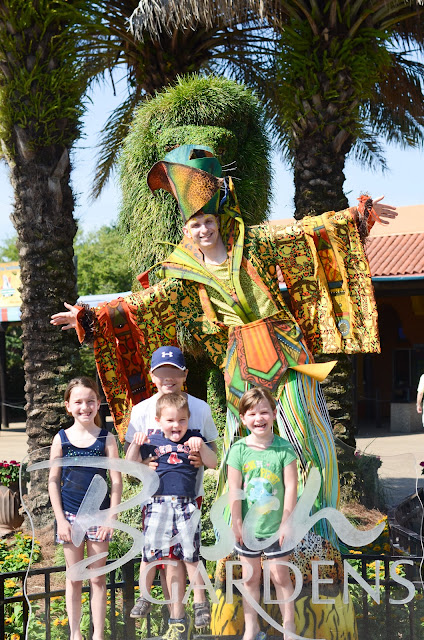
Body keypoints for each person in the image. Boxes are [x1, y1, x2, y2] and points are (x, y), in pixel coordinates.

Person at [51, 144, 397, 636]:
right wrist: (92, 315)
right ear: (186, 229)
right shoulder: (180, 274)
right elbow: (143, 305)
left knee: (309, 447)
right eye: (194, 224)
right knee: (241, 454)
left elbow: (305, 233)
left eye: (207, 221)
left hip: (287, 357)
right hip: (240, 370)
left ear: (218, 219)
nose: (202, 229)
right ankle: (247, 546)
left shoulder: (254, 244)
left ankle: (313, 541)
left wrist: (355, 216)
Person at [124, 345, 218, 622]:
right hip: (156, 497)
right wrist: (142, 465)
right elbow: (130, 459)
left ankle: (184, 617)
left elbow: (212, 451)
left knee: (186, 556)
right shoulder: (141, 410)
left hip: (189, 495)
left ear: (185, 374)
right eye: (161, 372)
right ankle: (174, 619)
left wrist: (202, 456)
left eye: (174, 372)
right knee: (160, 556)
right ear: (152, 376)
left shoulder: (199, 407)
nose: (168, 378)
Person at [48, 377, 122, 640]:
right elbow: (53, 481)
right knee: (74, 578)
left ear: (98, 403)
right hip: (69, 517)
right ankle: (75, 634)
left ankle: (98, 634)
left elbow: (116, 481)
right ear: (68, 406)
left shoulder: (106, 439)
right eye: (78, 402)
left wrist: (110, 519)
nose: (85, 407)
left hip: (99, 517)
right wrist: (61, 520)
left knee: (98, 579)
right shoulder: (61, 439)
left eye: (90, 401)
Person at [227, 387, 298, 640]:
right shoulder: (238, 450)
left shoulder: (284, 449)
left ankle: (289, 627)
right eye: (252, 413)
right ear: (243, 418)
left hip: (276, 527)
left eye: (264, 412)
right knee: (250, 578)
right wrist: (236, 521)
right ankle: (252, 627)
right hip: (249, 528)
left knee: (280, 576)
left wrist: (286, 522)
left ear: (274, 414)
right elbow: (234, 489)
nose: (259, 418)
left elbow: (291, 487)